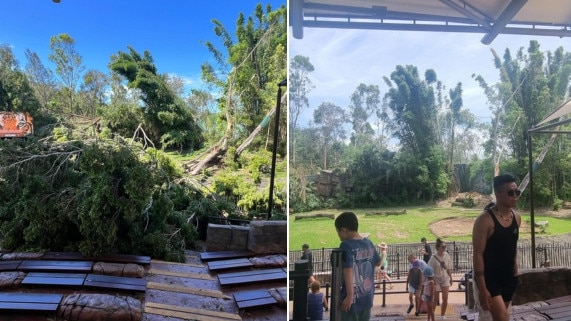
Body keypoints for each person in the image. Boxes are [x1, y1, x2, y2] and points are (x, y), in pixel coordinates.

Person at [472, 174, 521, 321]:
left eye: (517, 192)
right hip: (490, 278)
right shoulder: (484, 220)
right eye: (511, 193)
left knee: (498, 317)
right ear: (498, 194)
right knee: (502, 317)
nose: (515, 196)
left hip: (508, 276)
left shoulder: (516, 218)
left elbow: (512, 243)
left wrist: (515, 263)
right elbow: (477, 254)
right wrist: (482, 287)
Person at [334, 211, 381, 321]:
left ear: (344, 230)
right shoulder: (368, 243)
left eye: (338, 232)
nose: (339, 235)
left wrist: (350, 295)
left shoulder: (346, 245)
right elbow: (378, 262)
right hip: (367, 297)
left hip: (352, 301)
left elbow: (348, 270)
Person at [428, 238, 453, 319]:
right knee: (435, 299)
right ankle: (432, 315)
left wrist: (451, 277)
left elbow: (448, 268)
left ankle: (442, 314)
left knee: (445, 298)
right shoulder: (433, 258)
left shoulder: (447, 255)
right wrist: (432, 279)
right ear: (438, 248)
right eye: (443, 247)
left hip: (445, 277)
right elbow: (429, 270)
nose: (444, 248)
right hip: (436, 279)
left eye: (445, 246)